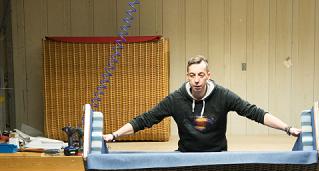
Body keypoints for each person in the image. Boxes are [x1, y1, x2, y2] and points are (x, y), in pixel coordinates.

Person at [103, 55, 301, 151]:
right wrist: (113, 135)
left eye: (200, 75)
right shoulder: (175, 99)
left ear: (208, 75)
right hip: (185, 157)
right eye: (192, 75)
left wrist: (287, 128)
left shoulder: (223, 96)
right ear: (187, 76)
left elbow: (255, 113)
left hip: (217, 156)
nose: (196, 80)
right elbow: (145, 119)